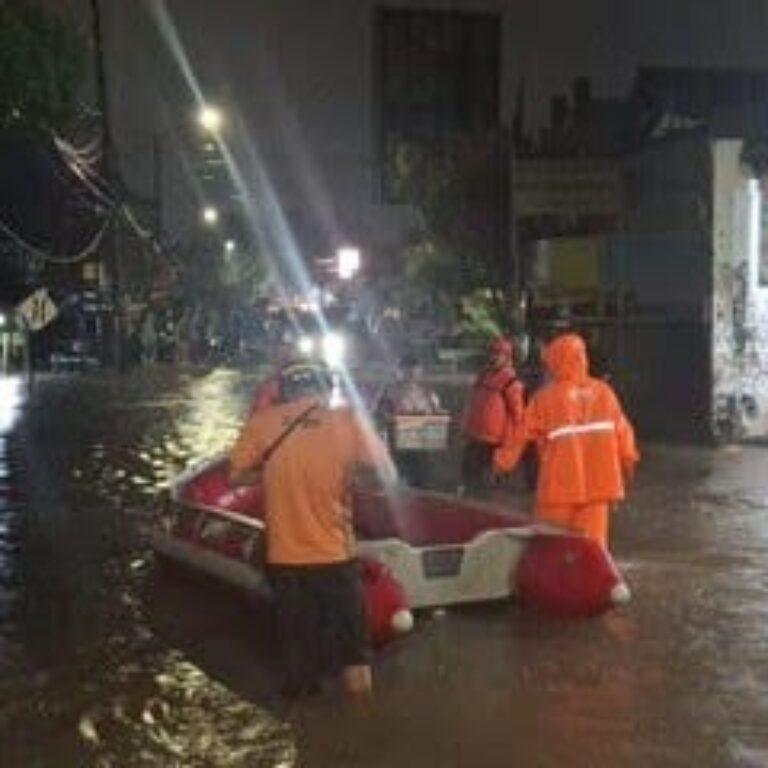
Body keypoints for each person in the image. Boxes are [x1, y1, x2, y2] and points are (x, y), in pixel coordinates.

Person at [228, 361, 397, 701]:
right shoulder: (346, 420)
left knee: (298, 659)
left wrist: (274, 474)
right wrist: (350, 475)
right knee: (354, 658)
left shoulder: (262, 424)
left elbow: (236, 476)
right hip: (335, 557)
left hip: (285, 560)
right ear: (325, 387)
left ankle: (306, 734)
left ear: (284, 390)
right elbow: (386, 474)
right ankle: (360, 728)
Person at [493, 333, 639, 550]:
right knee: (592, 553)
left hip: (558, 488)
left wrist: (502, 462)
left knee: (552, 549)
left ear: (555, 362)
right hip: (599, 489)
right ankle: (592, 585)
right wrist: (627, 466)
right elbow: (625, 437)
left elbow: (520, 435)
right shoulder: (605, 393)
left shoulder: (545, 399)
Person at [459, 336, 524, 497]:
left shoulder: (511, 382)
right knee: (467, 476)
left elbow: (518, 416)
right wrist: (464, 426)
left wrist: (511, 444)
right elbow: (472, 403)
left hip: (494, 441)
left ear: (507, 357)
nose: (494, 357)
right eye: (492, 353)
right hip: (474, 435)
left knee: (486, 483)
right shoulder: (482, 377)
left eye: (498, 354)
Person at [376, 354, 442, 488]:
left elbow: (437, 415)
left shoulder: (428, 392)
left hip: (422, 443)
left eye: (414, 370)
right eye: (407, 370)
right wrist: (390, 418)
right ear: (400, 371)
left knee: (421, 479)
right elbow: (380, 413)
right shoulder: (390, 391)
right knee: (401, 478)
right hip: (399, 441)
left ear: (419, 372)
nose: (411, 374)